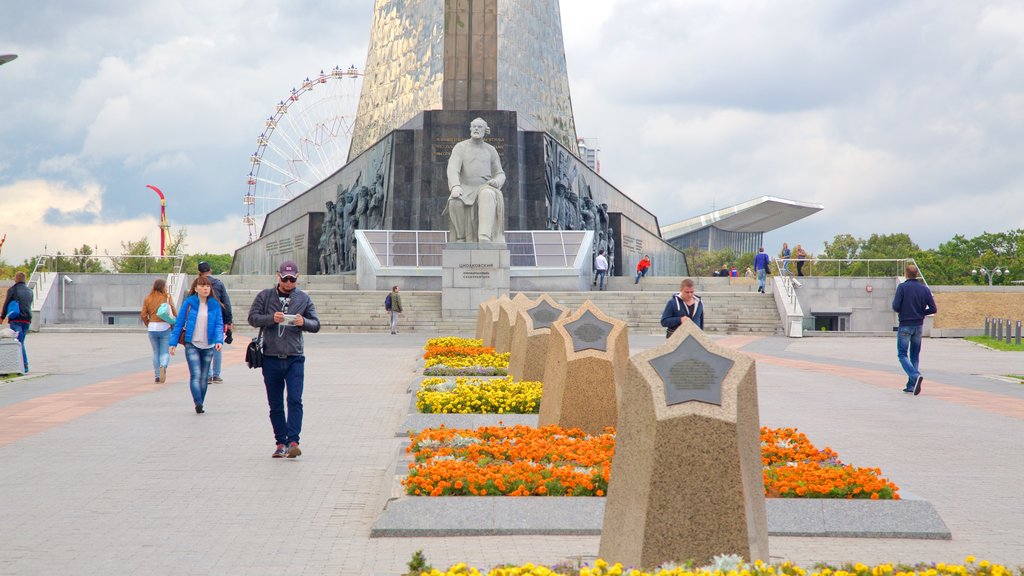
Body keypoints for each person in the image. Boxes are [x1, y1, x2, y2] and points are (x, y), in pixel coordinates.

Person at [247, 261, 321, 458]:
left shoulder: (303, 298)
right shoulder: (265, 296)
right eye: (285, 278)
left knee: (295, 400)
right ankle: (280, 443)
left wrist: (303, 321)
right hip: (271, 357)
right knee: (275, 403)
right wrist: (272, 318)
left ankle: (293, 441)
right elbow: (253, 318)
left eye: (292, 279)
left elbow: (316, 324)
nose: (289, 282)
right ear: (278, 276)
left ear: (298, 278)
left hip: (295, 357)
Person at [445, 117, 507, 243]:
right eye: (474, 126)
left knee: (487, 194)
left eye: (480, 127)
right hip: (466, 187)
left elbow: (500, 173)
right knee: (454, 202)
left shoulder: (491, 150)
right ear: (470, 129)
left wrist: (497, 181)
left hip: (485, 186)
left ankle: (484, 236)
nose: (476, 129)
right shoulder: (460, 147)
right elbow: (452, 168)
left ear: (485, 130)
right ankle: (461, 237)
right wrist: (455, 186)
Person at [170, 276, 225, 414]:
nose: (205, 288)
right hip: (192, 344)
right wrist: (173, 343)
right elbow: (179, 323)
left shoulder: (214, 305)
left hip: (208, 345)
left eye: (207, 286)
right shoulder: (189, 303)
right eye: (202, 286)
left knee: (205, 376)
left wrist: (219, 340)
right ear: (196, 289)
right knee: (196, 374)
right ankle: (198, 403)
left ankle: (201, 401)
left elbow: (219, 324)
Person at [892, 264, 937, 396]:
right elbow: (933, 309)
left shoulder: (902, 287)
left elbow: (895, 306)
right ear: (916, 274)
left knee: (902, 354)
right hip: (918, 326)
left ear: (906, 274)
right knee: (915, 355)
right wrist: (922, 312)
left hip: (905, 324)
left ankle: (915, 375)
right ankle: (912, 385)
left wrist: (904, 310)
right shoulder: (924, 289)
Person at [197, 261, 232, 383]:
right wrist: (229, 320)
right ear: (210, 270)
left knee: (205, 346)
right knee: (217, 346)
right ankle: (216, 375)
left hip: (202, 319)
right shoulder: (219, 283)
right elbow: (226, 302)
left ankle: (208, 375)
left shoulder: (197, 284)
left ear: (199, 273)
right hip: (218, 319)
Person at [141, 278, 177, 383]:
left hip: (152, 327)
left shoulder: (147, 298)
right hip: (165, 327)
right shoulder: (166, 297)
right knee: (164, 352)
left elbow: (143, 315)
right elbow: (173, 310)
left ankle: (157, 375)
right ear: (163, 287)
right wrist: (176, 320)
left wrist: (149, 323)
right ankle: (163, 366)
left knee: (156, 352)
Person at [2, 271, 33, 373]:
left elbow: (6, 304)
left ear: (16, 279)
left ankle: (24, 365)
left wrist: (2, 317)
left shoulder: (13, 290)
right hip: (27, 320)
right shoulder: (29, 291)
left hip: (16, 319)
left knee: (19, 342)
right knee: (21, 341)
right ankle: (22, 364)